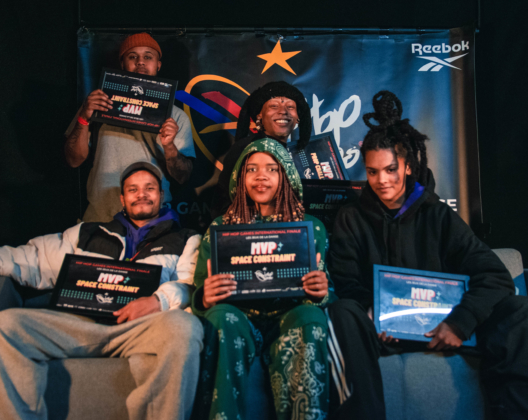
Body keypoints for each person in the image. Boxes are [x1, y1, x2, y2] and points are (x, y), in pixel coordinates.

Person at [328, 90, 528, 420]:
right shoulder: (351, 217)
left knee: (518, 310)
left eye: (390, 169)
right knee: (343, 311)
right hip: (382, 330)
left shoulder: (438, 215)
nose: (382, 180)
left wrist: (459, 323)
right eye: (373, 172)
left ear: (408, 166)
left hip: (444, 325)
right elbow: (346, 282)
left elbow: (494, 276)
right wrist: (372, 312)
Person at [0, 161, 203, 420]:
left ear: (161, 196)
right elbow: (31, 258)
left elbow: (189, 286)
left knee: (185, 327)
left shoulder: (186, 238)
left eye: (149, 188)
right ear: (122, 199)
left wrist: (158, 300)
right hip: (79, 325)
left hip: (139, 328)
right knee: (6, 324)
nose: (141, 194)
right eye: (133, 189)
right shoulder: (87, 232)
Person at [192, 139, 334, 420]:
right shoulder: (220, 228)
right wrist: (205, 297)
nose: (261, 176)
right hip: (239, 316)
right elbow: (198, 288)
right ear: (240, 177)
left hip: (289, 314)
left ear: (287, 175)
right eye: (252, 169)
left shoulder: (311, 228)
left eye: (271, 168)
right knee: (220, 316)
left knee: (311, 317)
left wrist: (321, 292)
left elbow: (326, 289)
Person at [64, 32, 195, 223]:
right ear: (122, 64)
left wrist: (169, 147)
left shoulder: (176, 116)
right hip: (101, 218)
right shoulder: (97, 105)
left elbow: (183, 177)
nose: (140, 62)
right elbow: (73, 160)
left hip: (152, 221)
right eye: (132, 56)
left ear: (158, 65)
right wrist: (84, 118)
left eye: (148, 57)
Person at [210, 81, 312, 219]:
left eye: (290, 107)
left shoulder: (298, 152)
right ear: (259, 115)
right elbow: (223, 202)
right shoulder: (248, 148)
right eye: (274, 106)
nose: (283, 111)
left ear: (298, 117)